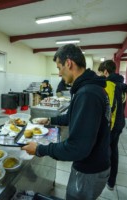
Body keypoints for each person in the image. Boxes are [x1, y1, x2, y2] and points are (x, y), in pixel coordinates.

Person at [22, 44, 111, 200]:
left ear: (69, 63)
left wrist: (40, 149)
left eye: (59, 67)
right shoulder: (86, 88)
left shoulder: (87, 93)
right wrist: (49, 120)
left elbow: (77, 147)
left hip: (89, 169)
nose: (58, 74)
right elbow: (71, 116)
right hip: (93, 163)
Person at [98, 60, 127, 191]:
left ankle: (102, 179)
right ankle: (112, 181)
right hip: (119, 124)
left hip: (110, 126)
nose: (100, 75)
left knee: (104, 152)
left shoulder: (109, 85)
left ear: (106, 71)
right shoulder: (122, 86)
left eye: (101, 72)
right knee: (114, 152)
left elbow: (108, 108)